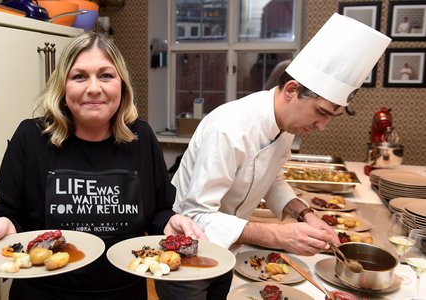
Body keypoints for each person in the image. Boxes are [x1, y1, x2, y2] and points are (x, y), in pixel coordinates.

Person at [155, 13, 391, 300]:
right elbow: (197, 215)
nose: (322, 126)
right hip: (186, 252)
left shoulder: (285, 125)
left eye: (332, 117)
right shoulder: (229, 128)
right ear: (292, 90)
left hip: (228, 247)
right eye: (321, 113)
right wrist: (278, 235)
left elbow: (272, 178)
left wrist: (305, 214)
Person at [0, 32, 205, 300]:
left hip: (122, 293)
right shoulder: (30, 138)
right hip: (44, 293)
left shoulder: (142, 138)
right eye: (79, 76)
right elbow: (10, 213)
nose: (93, 88)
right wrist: (4, 223)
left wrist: (171, 223)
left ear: (122, 85)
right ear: (62, 87)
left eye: (105, 75)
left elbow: (158, 212)